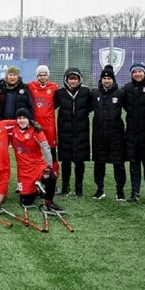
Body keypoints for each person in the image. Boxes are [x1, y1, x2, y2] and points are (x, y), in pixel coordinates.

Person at [10, 108, 62, 212]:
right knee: (25, 201)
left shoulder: (36, 130)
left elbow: (46, 148)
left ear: (28, 118)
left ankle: (49, 202)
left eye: (24, 118)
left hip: (37, 166)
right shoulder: (12, 129)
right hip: (24, 171)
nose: (22, 120)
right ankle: (37, 189)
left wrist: (49, 167)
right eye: (19, 118)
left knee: (51, 177)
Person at [90, 65, 128, 201]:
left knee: (119, 163)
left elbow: (130, 109)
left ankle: (120, 191)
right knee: (99, 163)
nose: (107, 81)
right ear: (101, 80)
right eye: (104, 78)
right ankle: (99, 189)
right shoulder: (94, 94)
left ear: (113, 80)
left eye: (109, 78)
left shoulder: (120, 93)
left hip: (116, 135)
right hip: (99, 135)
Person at [54, 67, 92, 197]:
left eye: (75, 79)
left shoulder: (86, 92)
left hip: (81, 131)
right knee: (65, 160)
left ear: (79, 79)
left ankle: (79, 188)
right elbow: (52, 106)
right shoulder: (60, 93)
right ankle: (65, 187)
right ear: (66, 80)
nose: (73, 81)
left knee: (79, 161)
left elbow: (91, 107)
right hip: (65, 132)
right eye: (70, 79)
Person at [122, 63, 145, 203]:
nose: (137, 74)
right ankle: (135, 192)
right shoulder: (127, 88)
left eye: (140, 71)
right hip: (131, 132)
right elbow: (124, 105)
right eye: (135, 71)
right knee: (133, 162)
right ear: (131, 74)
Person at [27, 65, 59, 177]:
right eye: (40, 75)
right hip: (36, 125)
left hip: (50, 126)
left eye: (44, 75)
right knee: (35, 152)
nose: (42, 77)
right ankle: (36, 176)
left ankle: (53, 178)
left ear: (48, 76)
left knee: (52, 152)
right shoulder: (31, 86)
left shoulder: (54, 87)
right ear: (37, 76)